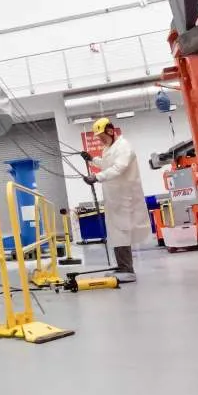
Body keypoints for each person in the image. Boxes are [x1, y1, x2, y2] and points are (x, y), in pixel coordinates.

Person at [82, 117, 151, 282]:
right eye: (99, 138)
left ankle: (128, 270)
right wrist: (92, 159)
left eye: (102, 137)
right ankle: (121, 267)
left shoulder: (124, 146)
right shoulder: (109, 148)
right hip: (114, 198)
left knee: (122, 232)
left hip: (125, 197)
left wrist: (96, 177)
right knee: (116, 233)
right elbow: (107, 164)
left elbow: (119, 167)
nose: (101, 141)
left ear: (111, 131)